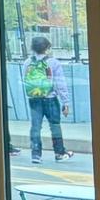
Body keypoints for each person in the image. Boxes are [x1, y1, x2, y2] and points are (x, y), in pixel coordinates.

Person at [22, 34, 72, 163]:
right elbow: (60, 84)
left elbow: (26, 81)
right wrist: (65, 102)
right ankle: (59, 153)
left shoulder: (28, 62)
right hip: (50, 98)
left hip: (34, 99)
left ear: (32, 48)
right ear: (47, 48)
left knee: (35, 126)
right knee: (54, 126)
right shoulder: (53, 62)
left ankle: (36, 155)